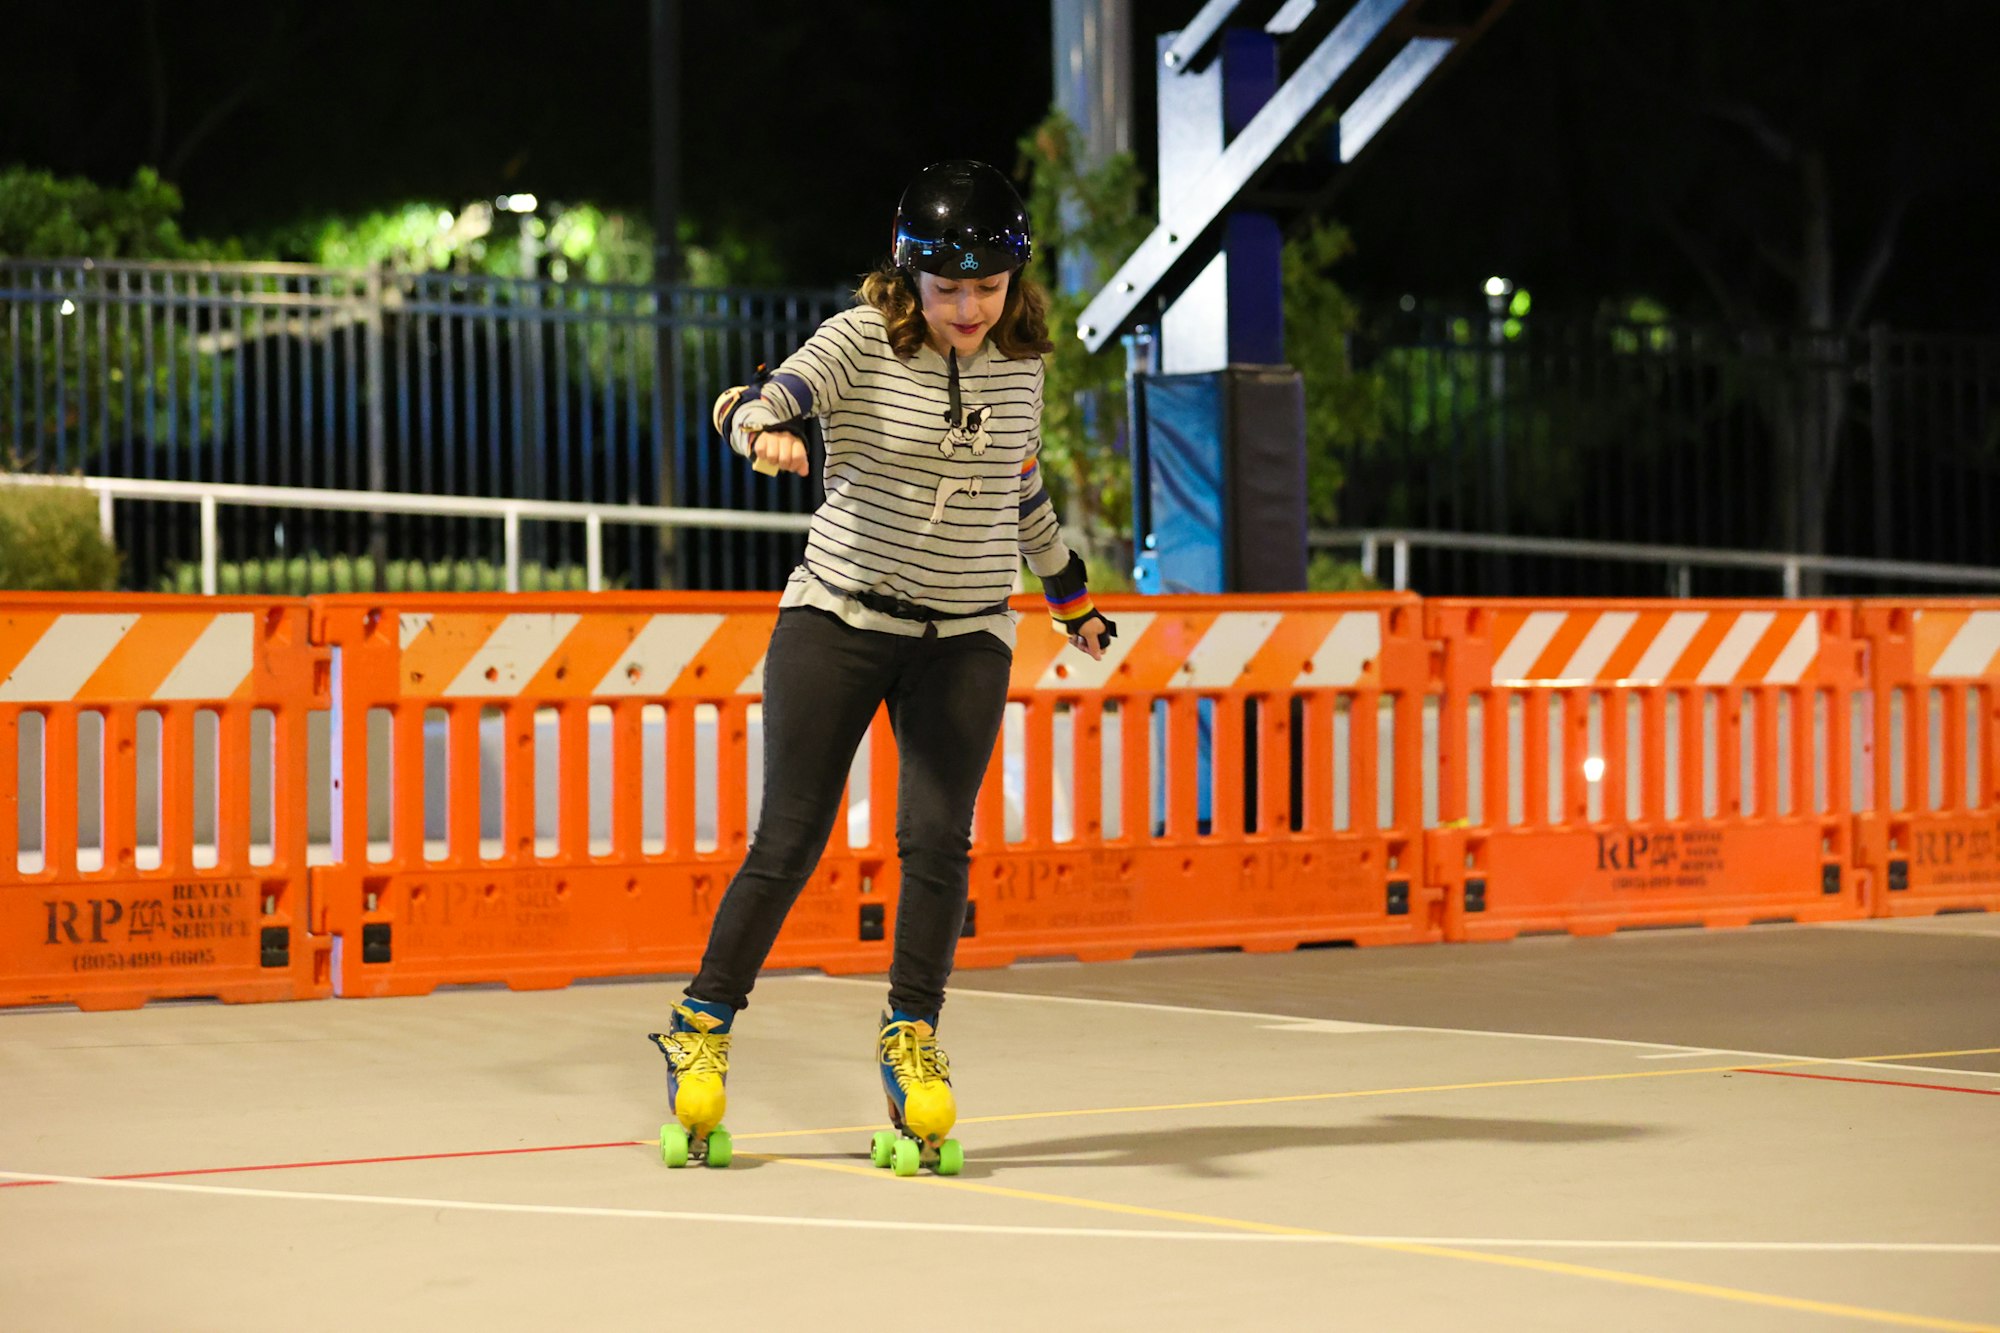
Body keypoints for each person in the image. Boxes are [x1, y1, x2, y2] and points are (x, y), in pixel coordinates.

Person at [648, 161, 1113, 1175]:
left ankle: (912, 1035)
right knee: (790, 838)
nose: (968, 309)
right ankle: (702, 1022)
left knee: (938, 840)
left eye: (987, 289)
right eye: (947, 290)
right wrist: (759, 429)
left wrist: (1068, 594)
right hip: (840, 616)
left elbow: (1019, 488)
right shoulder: (862, 339)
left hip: (967, 630)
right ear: (910, 280)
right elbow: (760, 396)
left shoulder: (1021, 361)